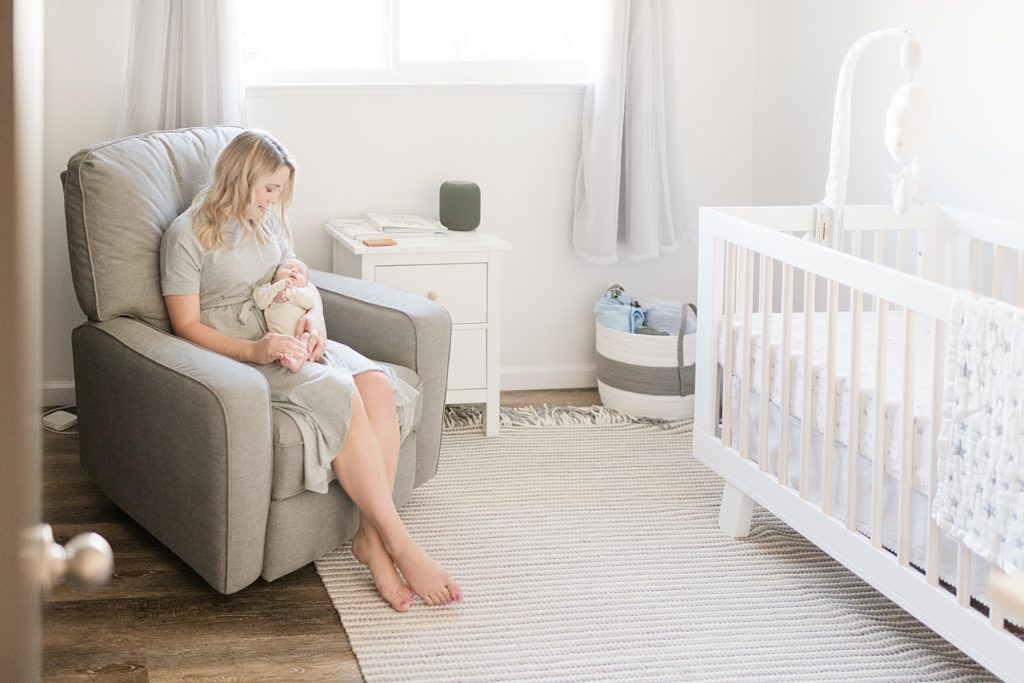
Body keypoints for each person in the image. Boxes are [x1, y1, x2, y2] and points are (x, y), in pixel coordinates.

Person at [159, 129, 461, 611]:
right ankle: (400, 548)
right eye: (270, 189)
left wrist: (314, 322)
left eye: (278, 190)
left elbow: (300, 282)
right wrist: (255, 351)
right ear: (241, 178)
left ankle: (370, 540)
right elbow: (186, 325)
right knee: (341, 390)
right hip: (240, 350)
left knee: (377, 385)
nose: (274, 200)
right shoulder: (187, 234)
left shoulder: (267, 223)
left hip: (287, 330)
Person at [252, 257, 316, 372]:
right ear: (273, 277)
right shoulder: (268, 289)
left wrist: (287, 292)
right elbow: (260, 303)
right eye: (288, 267)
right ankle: (285, 357)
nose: (294, 271)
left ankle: (297, 361)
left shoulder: (304, 292)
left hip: (299, 335)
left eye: (300, 272)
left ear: (306, 284)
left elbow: (309, 302)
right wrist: (276, 288)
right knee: (272, 342)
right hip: (278, 337)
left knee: (307, 337)